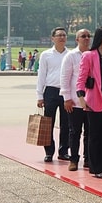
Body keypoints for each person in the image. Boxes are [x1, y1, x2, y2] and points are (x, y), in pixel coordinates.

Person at [77, 26, 102, 178]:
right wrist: (81, 99)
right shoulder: (89, 56)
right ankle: (95, 167)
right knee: (95, 134)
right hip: (94, 99)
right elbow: (81, 78)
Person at [36, 27, 70, 163]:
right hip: (50, 91)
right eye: (59, 35)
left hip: (65, 92)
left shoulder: (70, 54)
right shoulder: (46, 55)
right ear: (53, 38)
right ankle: (49, 152)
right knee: (48, 123)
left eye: (64, 35)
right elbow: (41, 75)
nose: (62, 37)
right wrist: (39, 95)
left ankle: (63, 151)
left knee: (66, 123)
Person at [60, 29, 92, 171]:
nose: (86, 39)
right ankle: (73, 159)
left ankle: (88, 159)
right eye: (83, 36)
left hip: (91, 102)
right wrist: (67, 98)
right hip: (75, 101)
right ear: (77, 39)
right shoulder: (71, 56)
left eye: (88, 36)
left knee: (90, 132)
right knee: (74, 132)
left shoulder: (93, 55)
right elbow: (65, 78)